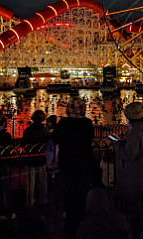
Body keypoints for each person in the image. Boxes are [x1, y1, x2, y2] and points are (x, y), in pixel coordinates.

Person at [52, 96, 95, 237]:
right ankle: (81, 224)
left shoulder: (63, 123)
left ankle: (69, 226)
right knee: (81, 195)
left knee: (68, 195)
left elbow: (55, 139)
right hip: (83, 164)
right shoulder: (87, 123)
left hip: (67, 165)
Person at [115, 101, 143, 238]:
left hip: (134, 178)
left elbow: (129, 155)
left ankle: (137, 234)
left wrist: (118, 144)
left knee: (135, 211)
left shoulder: (135, 134)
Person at [21, 110, 50, 206]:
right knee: (42, 182)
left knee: (30, 183)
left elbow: (24, 144)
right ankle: (43, 199)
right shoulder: (45, 131)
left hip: (30, 159)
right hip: (41, 158)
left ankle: (29, 201)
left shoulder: (28, 131)